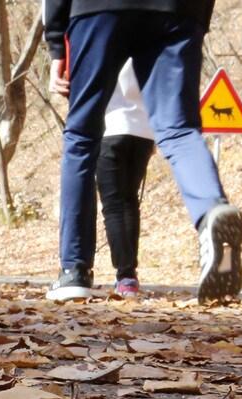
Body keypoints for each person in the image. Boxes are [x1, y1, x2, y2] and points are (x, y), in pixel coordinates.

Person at [43, 0, 242, 304]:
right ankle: (210, 211)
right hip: (178, 11)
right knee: (179, 129)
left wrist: (58, 42)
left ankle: (74, 270)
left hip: (98, 11)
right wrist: (197, 17)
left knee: (82, 134)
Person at [98, 61, 155, 299]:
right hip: (143, 129)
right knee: (130, 201)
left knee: (113, 206)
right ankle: (129, 275)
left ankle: (125, 276)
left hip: (110, 127)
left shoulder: (105, 39)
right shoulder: (145, 41)